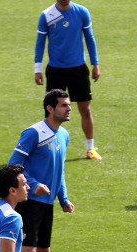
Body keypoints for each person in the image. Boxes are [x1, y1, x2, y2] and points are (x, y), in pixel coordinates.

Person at [8, 89, 75, 252]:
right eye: (64, 105)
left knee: (43, 251)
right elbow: (13, 165)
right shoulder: (34, 132)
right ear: (50, 108)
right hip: (29, 201)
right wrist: (33, 183)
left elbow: (59, 170)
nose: (69, 109)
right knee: (28, 250)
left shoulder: (64, 134)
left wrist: (63, 198)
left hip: (47, 203)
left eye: (69, 105)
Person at [35, 0, 103, 160]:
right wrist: (37, 69)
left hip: (78, 69)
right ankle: (49, 150)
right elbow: (40, 43)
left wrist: (95, 64)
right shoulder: (47, 15)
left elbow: (89, 38)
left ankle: (90, 149)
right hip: (55, 71)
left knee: (85, 110)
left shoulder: (82, 12)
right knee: (51, 112)